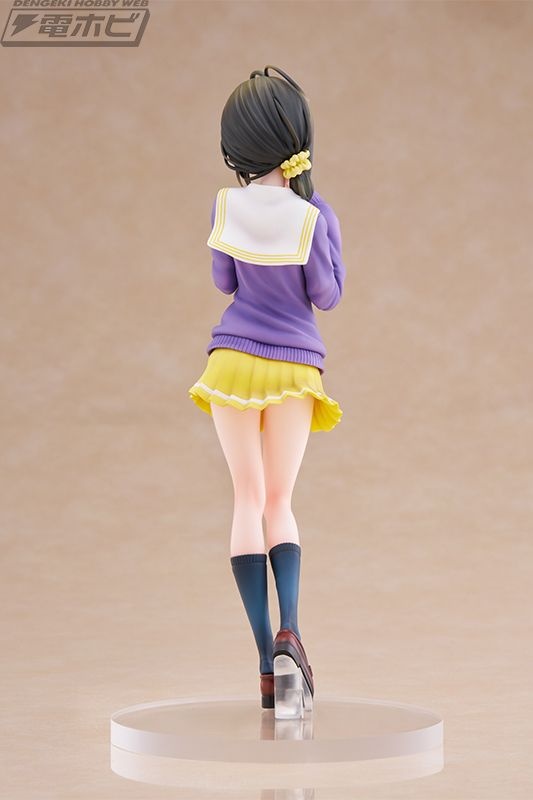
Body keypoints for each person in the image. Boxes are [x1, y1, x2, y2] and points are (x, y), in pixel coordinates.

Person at [188, 64, 346, 719]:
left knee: (245, 499)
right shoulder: (311, 215)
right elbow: (326, 296)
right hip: (292, 368)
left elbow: (223, 282)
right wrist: (328, 233)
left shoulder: (226, 207)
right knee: (280, 500)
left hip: (230, 362)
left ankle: (263, 662)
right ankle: (292, 635)